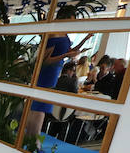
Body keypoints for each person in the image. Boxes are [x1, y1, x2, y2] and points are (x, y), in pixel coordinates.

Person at [24, 8, 91, 141]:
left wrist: (84, 40)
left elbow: (69, 51)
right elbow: (44, 60)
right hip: (46, 73)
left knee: (39, 108)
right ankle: (33, 139)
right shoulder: (53, 34)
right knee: (39, 108)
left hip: (54, 73)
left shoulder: (64, 35)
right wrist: (66, 55)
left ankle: (30, 138)